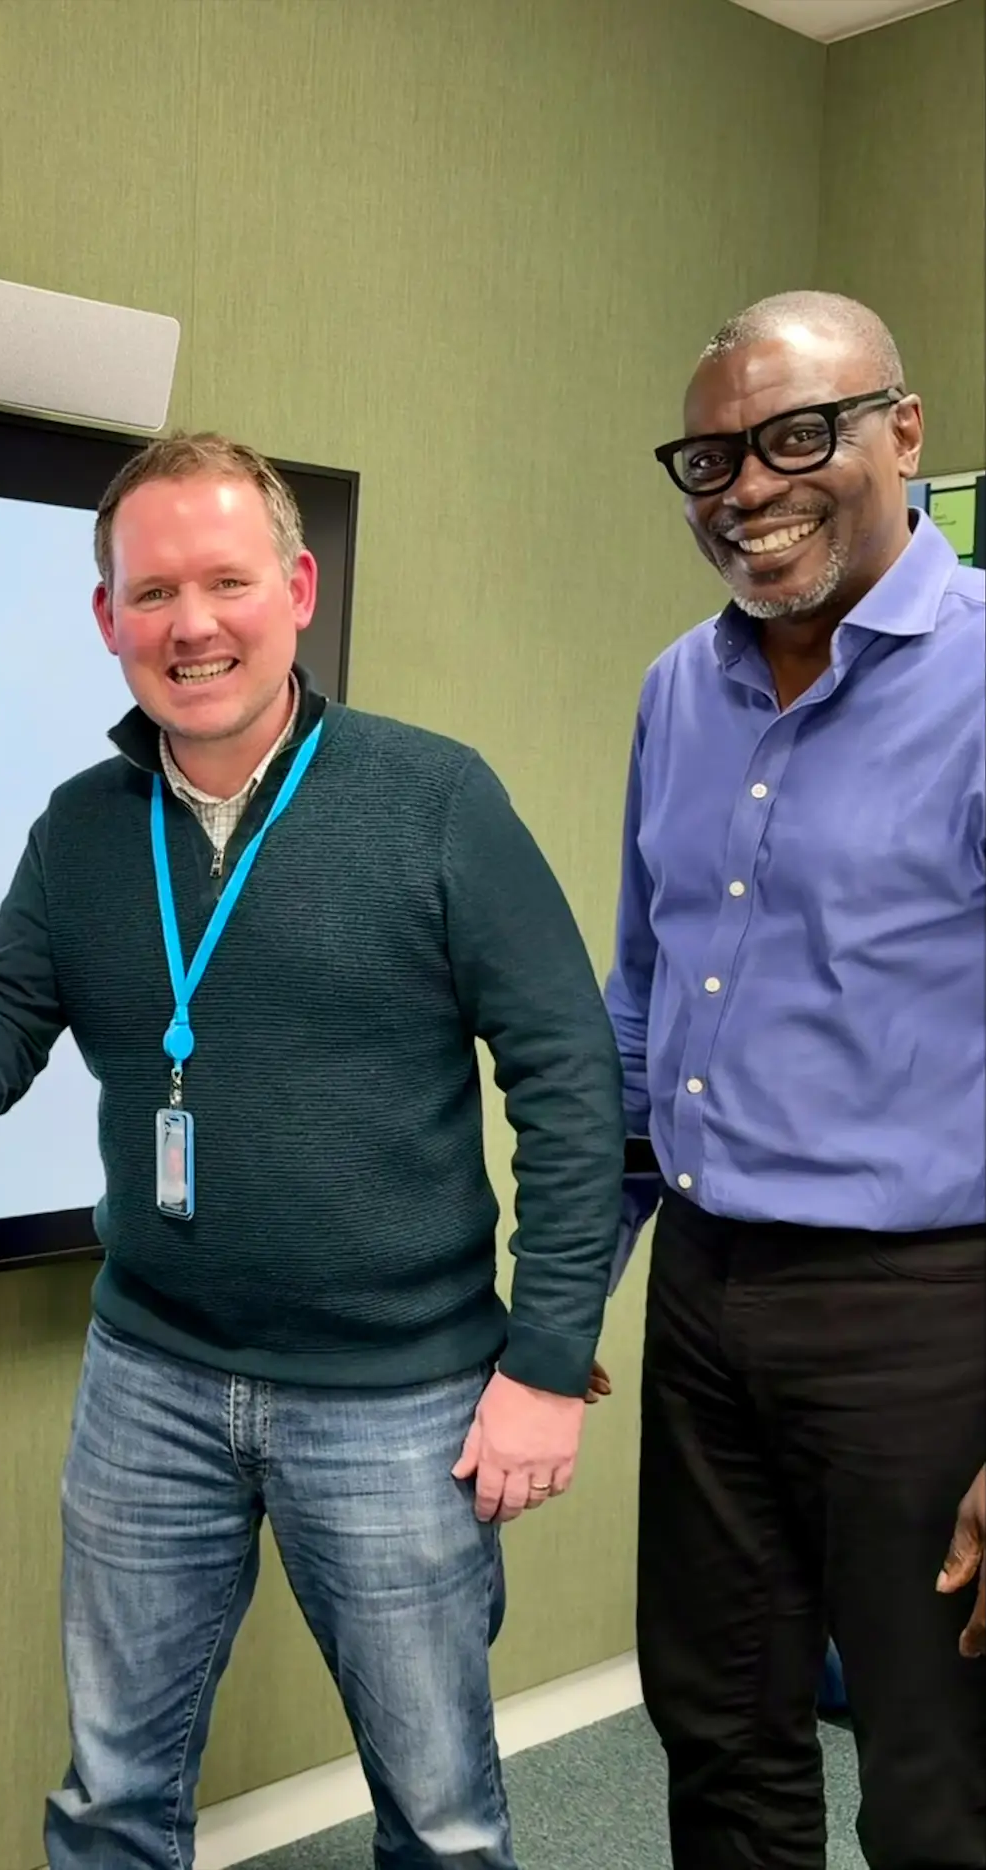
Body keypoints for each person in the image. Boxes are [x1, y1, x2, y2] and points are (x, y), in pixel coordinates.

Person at [0, 432, 624, 1869]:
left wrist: (542, 1359)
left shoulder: (433, 796)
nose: (189, 624)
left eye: (224, 581)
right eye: (150, 593)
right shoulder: (84, 827)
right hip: (149, 1378)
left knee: (444, 1820)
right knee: (110, 1801)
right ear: (106, 618)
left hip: (401, 1395)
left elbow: (573, 1083)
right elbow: (6, 1017)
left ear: (299, 589)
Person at [611, 289, 985, 1868]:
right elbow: (641, 1002)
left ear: (905, 431)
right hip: (706, 1289)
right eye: (709, 459)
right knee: (720, 1730)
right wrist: (570, 1300)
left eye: (794, 436)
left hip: (925, 1315)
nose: (747, 488)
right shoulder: (675, 692)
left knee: (939, 1775)